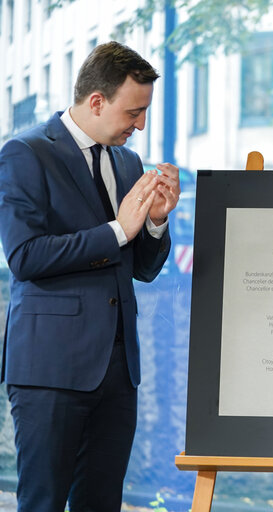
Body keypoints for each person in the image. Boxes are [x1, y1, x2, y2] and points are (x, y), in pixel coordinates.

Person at [0, 41, 179, 511]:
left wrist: (156, 222)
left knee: (101, 504)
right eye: (133, 112)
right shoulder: (25, 153)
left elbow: (140, 267)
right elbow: (25, 257)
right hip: (50, 370)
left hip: (118, 373)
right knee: (44, 502)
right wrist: (119, 230)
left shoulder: (127, 162)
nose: (140, 125)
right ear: (96, 101)